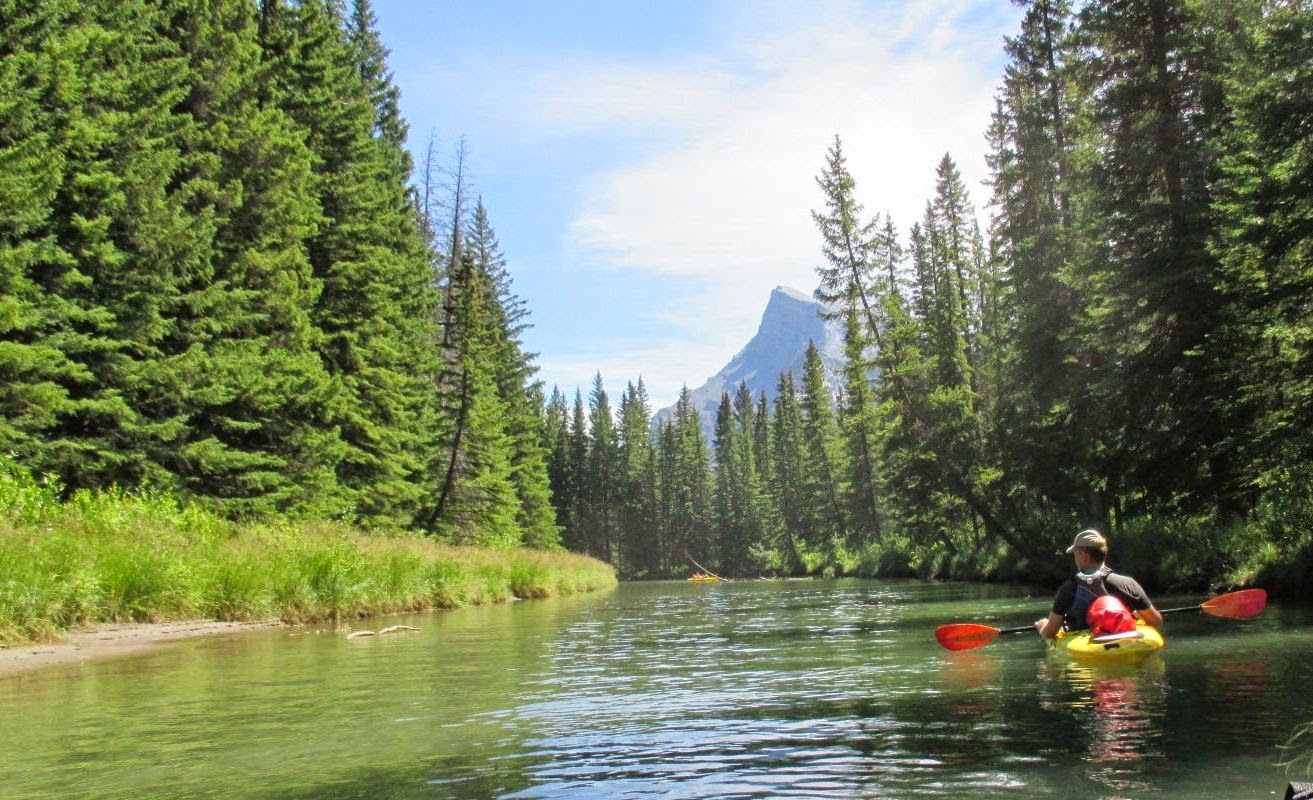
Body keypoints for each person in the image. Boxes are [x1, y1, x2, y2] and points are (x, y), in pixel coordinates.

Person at [1034, 529, 1164, 640]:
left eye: (1075, 554)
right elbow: (1156, 621)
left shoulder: (1068, 590)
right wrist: (1137, 614)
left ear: (1083, 555)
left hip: (1089, 652)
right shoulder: (1127, 584)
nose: (1075, 559)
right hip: (1126, 641)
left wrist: (1043, 627)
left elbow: (1049, 633)